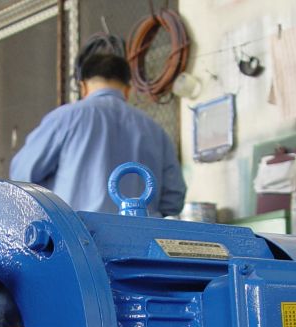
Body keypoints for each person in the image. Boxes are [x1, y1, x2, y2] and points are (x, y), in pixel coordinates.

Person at [9, 53, 186, 217]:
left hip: (76, 234)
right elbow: (174, 199)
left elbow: (22, 174)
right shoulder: (155, 130)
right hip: (140, 237)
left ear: (83, 87)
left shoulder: (65, 118)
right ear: (128, 90)